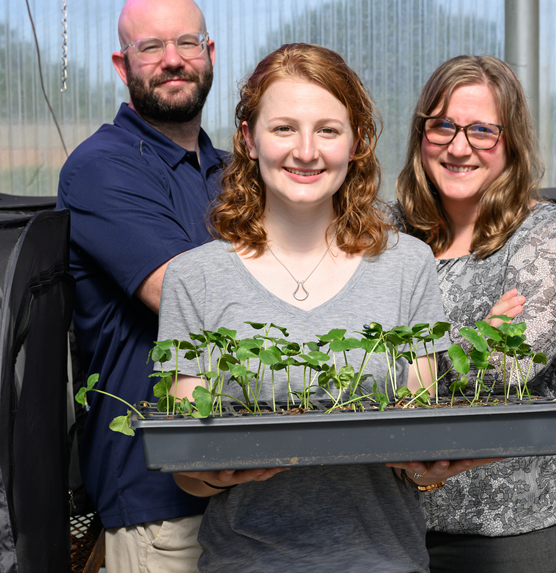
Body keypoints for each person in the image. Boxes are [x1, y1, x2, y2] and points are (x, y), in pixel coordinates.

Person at [156, 43, 493, 572]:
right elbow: (186, 471)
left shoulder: (408, 265)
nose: (306, 151)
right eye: (284, 128)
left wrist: (435, 466)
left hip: (384, 561)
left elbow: (418, 445)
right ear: (248, 138)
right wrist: (217, 473)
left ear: (357, 141)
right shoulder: (194, 278)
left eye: (328, 130)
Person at [395, 55, 556, 573]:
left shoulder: (553, 237)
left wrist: (404, 355)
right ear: (421, 133)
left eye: (482, 130)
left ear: (511, 141)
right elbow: (332, 358)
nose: (459, 147)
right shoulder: (386, 232)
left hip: (510, 535)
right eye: (443, 126)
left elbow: (507, 369)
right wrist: (474, 337)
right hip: (388, 524)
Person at [57, 0, 227, 572]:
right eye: (150, 46)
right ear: (121, 63)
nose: (173, 59)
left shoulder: (232, 172)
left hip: (251, 486)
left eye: (187, 42)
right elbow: (185, 297)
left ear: (210, 53)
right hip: (158, 504)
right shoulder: (102, 168)